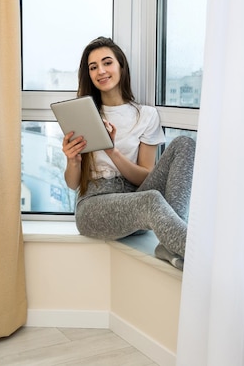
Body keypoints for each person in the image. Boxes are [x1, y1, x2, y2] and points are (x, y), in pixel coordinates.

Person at [62, 36, 196, 270]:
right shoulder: (84, 115)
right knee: (152, 200)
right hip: (94, 206)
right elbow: (73, 184)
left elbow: (145, 177)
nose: (101, 71)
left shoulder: (146, 115)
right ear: (89, 75)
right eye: (93, 67)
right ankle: (205, 260)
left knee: (184, 143)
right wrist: (72, 161)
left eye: (107, 63)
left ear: (121, 67)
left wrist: (112, 151)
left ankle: (171, 243)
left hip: (136, 197)